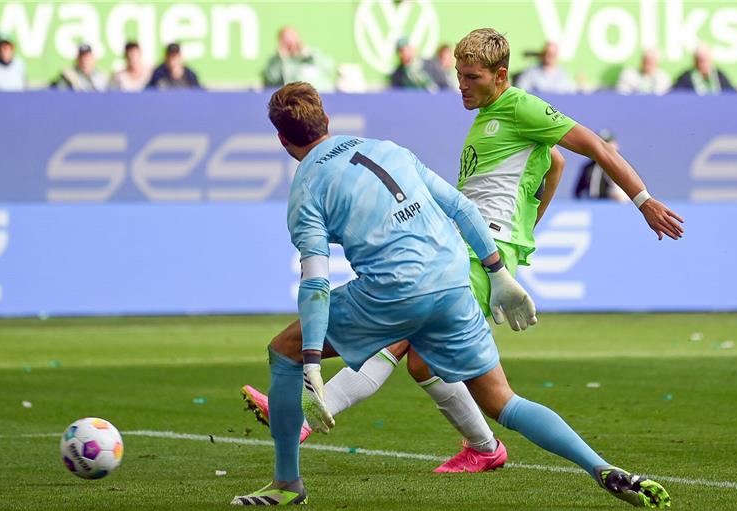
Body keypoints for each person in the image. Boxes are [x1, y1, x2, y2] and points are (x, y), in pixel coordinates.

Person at [243, 26, 683, 476]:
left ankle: (304, 419)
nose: (461, 85)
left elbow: (592, 146)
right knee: (421, 360)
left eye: (471, 77)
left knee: (401, 333)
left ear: (501, 75)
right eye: (458, 74)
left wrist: (642, 201)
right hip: (470, 240)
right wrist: (527, 226)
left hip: (475, 247)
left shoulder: (520, 106)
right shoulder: (491, 115)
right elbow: (555, 161)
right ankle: (484, 446)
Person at [262, 26, 336, 92]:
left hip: (322, 95)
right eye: (286, 40)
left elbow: (329, 67)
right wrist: (281, 60)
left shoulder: (312, 54)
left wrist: (309, 54)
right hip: (297, 99)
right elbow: (271, 79)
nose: (290, 42)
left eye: (292, 38)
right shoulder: (276, 61)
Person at [574, 130, 629, 201]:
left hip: (611, 206)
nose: (604, 147)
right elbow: (578, 190)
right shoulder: (588, 167)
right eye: (601, 143)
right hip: (591, 205)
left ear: (615, 145)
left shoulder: (621, 166)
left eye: (607, 143)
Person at [671, 45, 736, 94]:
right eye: (701, 60)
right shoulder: (686, 77)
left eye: (706, 60)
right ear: (695, 61)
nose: (704, 64)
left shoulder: (719, 76)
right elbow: (675, 92)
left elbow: (731, 92)